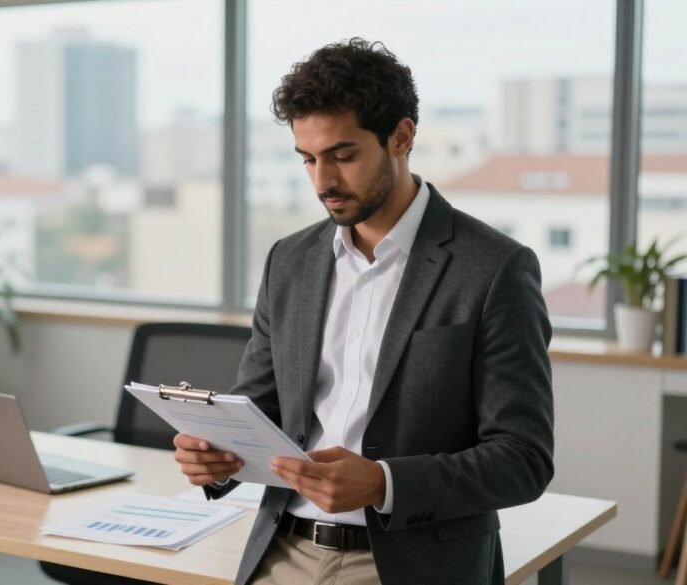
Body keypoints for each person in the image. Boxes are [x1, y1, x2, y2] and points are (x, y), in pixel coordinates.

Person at [173, 38, 554, 585]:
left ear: (401, 137)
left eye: (343, 156)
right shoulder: (290, 260)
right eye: (308, 159)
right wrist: (217, 455)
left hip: (410, 564)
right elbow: (261, 410)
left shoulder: (494, 268)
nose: (322, 182)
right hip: (283, 549)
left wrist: (383, 482)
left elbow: (524, 459)